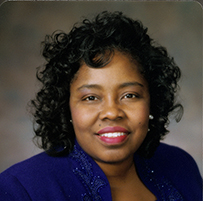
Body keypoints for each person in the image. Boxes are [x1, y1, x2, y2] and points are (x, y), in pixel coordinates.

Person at [0, 11, 202, 201]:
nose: (112, 112)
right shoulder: (21, 188)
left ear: (152, 101)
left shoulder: (180, 166)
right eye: (90, 98)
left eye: (129, 95)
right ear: (66, 106)